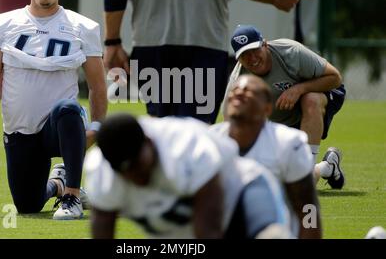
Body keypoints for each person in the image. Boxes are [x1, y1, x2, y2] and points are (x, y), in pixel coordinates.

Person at [103, 0, 312, 124]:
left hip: (152, 44)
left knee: (163, 128)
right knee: (196, 129)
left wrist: (112, 41)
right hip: (204, 45)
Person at [0, 0, 107, 220]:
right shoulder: (2, 24)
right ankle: (59, 183)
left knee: (68, 109)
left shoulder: (83, 27)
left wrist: (96, 126)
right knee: (27, 205)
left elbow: (97, 85)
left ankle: (70, 196)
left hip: (59, 127)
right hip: (20, 131)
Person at [84, 113, 293, 239]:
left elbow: (208, 233)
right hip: (181, 229)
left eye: (138, 166)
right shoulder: (102, 171)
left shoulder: (187, 150)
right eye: (125, 172)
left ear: (149, 141)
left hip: (240, 192)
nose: (134, 177)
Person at [224, 24, 346, 188]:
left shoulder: (291, 52)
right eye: (245, 55)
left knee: (309, 99)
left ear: (264, 44)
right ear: (238, 59)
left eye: (255, 50)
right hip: (283, 120)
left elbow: (335, 77)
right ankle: (327, 167)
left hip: (323, 92)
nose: (252, 58)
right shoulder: (238, 83)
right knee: (279, 178)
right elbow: (233, 127)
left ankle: (307, 167)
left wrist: (299, 89)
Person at [211, 75, 321, 238]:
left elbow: (307, 207)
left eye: (249, 91)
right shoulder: (210, 141)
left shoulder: (288, 142)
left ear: (267, 108)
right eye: (235, 90)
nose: (239, 93)